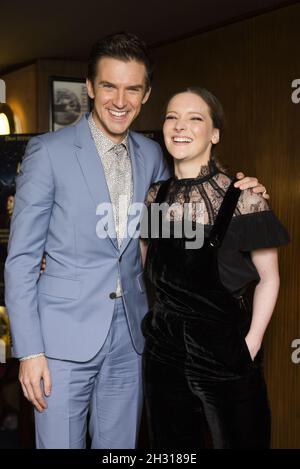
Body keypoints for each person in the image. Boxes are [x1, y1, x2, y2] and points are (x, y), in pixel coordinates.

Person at [4, 33, 268, 449]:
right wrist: (30, 351)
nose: (120, 100)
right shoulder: (48, 152)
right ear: (90, 87)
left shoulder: (153, 155)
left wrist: (241, 187)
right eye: (109, 86)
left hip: (134, 338)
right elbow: (20, 259)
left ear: (146, 95)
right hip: (60, 344)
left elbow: (192, 186)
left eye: (133, 89)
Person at [141, 88, 289, 449]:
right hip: (164, 354)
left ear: (215, 133)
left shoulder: (246, 198)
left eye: (195, 118)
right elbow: (149, 268)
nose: (180, 126)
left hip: (225, 351)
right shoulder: (155, 197)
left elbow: (270, 279)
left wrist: (250, 345)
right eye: (172, 116)